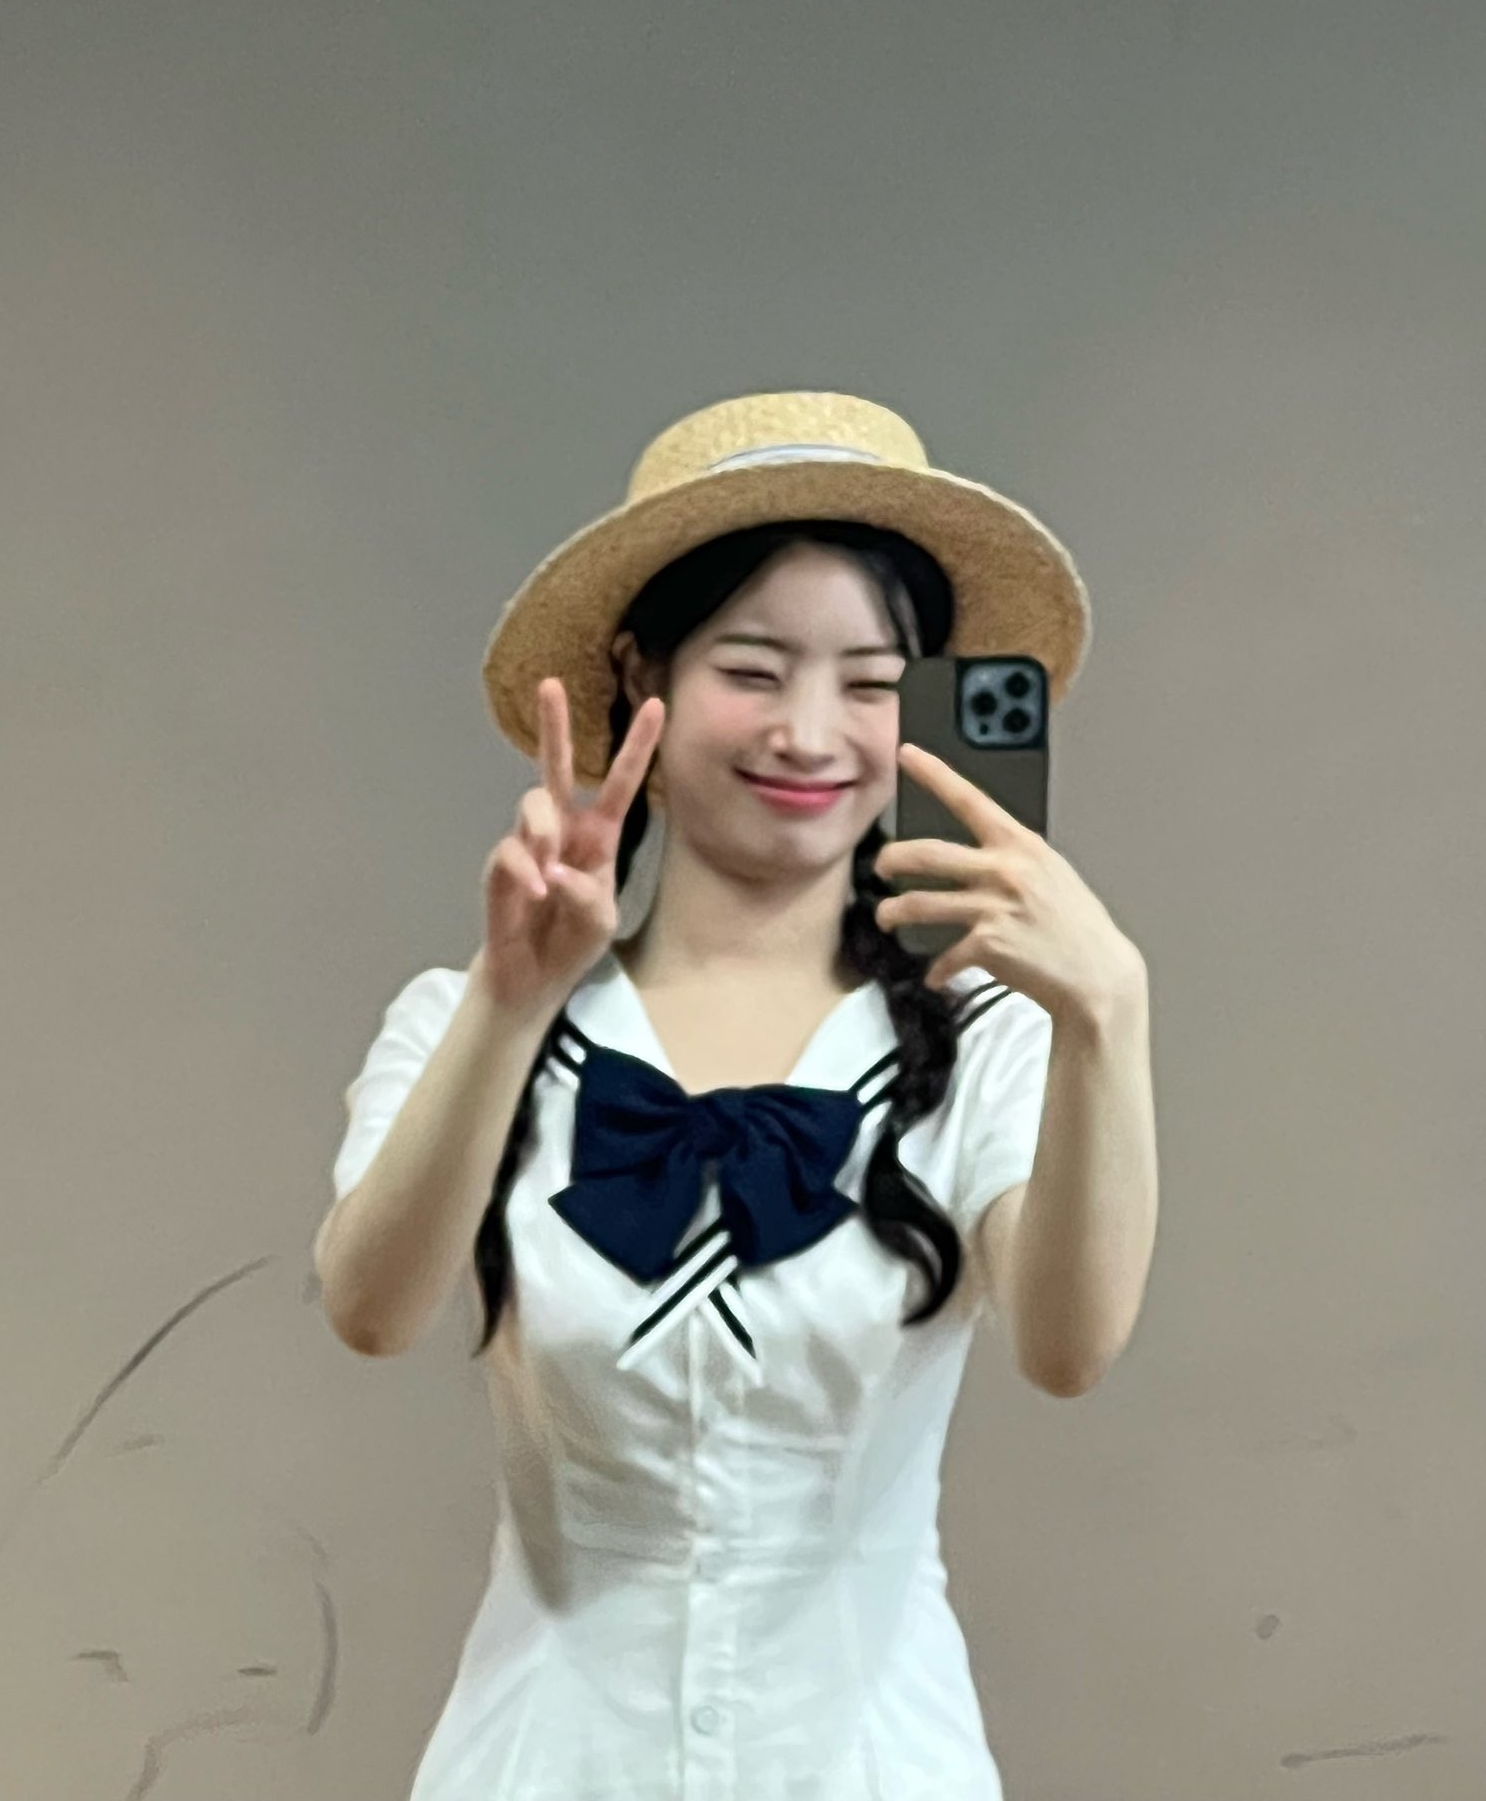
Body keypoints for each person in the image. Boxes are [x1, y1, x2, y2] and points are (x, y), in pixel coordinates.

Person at [313, 390, 1158, 1801]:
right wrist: (511, 1002)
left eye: (872, 683)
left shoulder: (990, 1043)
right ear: (639, 674)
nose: (810, 734)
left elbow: (1070, 1350)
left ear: (927, 709)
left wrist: (1106, 1018)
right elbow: (369, 1310)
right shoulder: (468, 1022)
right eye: (753, 670)